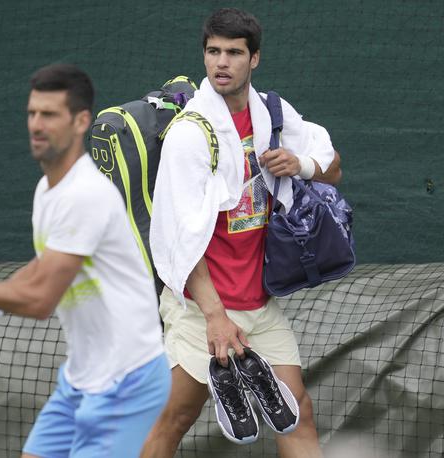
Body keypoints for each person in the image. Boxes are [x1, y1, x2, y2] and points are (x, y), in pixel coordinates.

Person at [0, 63, 171, 458]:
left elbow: (41, 300)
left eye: (49, 115)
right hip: (80, 379)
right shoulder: (46, 191)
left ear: (81, 121)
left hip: (126, 383)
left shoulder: (85, 196)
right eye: (32, 113)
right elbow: (40, 270)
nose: (36, 124)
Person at [141, 8, 342, 458]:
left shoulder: (272, 112)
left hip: (259, 306)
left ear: (254, 59)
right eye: (213, 52)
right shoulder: (190, 134)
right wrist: (214, 317)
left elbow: (333, 167)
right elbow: (176, 236)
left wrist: (301, 164)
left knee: (297, 412)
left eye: (233, 53)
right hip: (202, 309)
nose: (221, 63)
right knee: (174, 419)